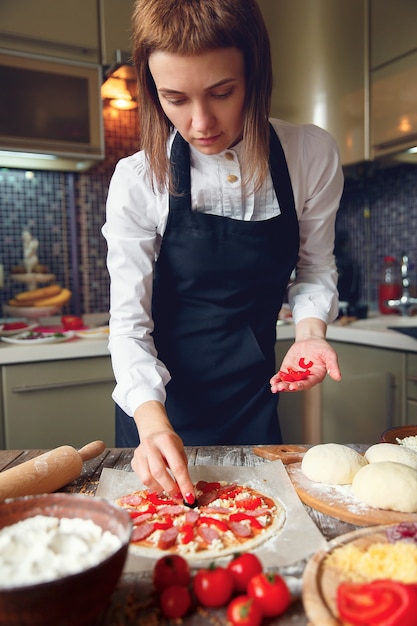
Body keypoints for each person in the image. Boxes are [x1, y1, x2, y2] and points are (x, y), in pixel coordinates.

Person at [102, 0, 344, 505]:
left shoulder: (308, 155)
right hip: (156, 408)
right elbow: (128, 326)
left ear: (254, 74)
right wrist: (150, 422)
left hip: (253, 401)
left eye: (222, 92)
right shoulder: (138, 179)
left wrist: (309, 333)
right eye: (175, 99)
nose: (200, 122)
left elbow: (315, 268)